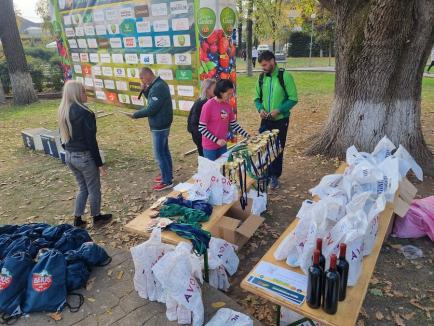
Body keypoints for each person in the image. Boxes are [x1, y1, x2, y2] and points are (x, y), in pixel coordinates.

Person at [58, 80, 112, 228]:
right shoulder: (85, 112)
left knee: (83, 188)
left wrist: (70, 149)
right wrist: (99, 163)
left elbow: (62, 137)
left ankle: (78, 219)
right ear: (75, 94)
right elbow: (91, 141)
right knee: (94, 188)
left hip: (69, 155)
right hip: (84, 157)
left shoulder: (64, 110)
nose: (86, 93)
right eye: (83, 91)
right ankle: (97, 218)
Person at [254, 50, 298, 189]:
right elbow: (256, 98)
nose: (264, 68)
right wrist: (260, 109)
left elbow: (293, 99)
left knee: (277, 148)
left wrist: (279, 110)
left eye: (265, 65)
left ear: (273, 61)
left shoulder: (285, 76)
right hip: (265, 120)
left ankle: (274, 176)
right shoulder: (262, 78)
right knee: (263, 147)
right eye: (262, 66)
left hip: (280, 120)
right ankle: (264, 173)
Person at [125, 68, 174, 191]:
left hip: (160, 125)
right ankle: (167, 175)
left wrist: (135, 115)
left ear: (147, 75)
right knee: (164, 151)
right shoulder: (156, 85)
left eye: (141, 78)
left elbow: (152, 108)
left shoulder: (158, 87)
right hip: (162, 123)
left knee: (159, 154)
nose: (141, 80)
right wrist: (145, 91)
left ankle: (166, 181)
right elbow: (153, 101)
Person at [199, 79, 250, 161]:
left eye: (232, 93)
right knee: (213, 171)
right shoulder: (208, 105)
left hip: (222, 145)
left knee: (223, 169)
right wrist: (216, 140)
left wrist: (247, 135)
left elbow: (234, 124)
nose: (231, 96)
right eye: (229, 93)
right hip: (210, 147)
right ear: (220, 92)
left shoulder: (227, 106)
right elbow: (201, 128)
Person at [187, 79, 217, 157]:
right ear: (207, 89)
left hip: (208, 136)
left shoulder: (212, 101)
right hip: (200, 136)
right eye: (215, 88)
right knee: (204, 158)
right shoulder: (200, 103)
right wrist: (202, 138)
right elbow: (193, 123)